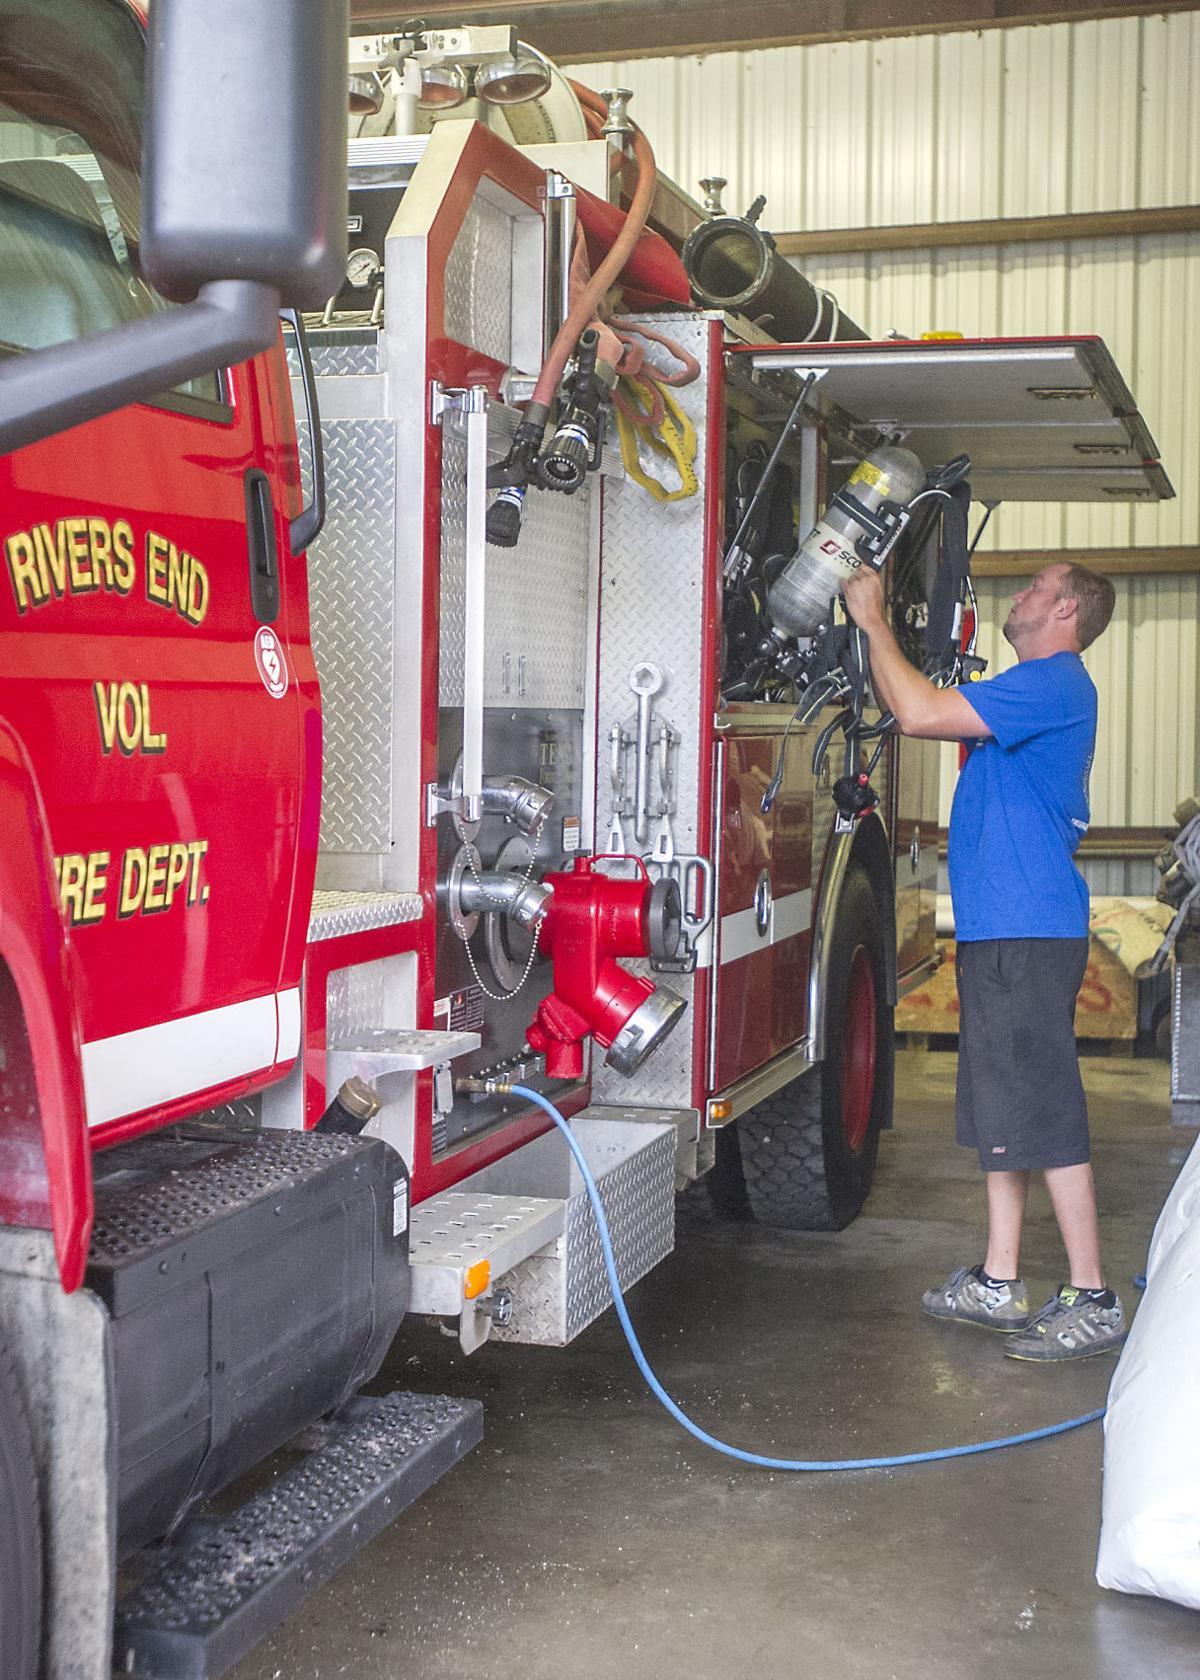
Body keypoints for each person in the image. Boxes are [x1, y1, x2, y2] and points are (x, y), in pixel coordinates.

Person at [842, 559, 1125, 1362]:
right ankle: (1001, 1282)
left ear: (1067, 607)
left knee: (1044, 1106)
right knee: (1005, 1110)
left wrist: (872, 621)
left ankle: (1092, 1294)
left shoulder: (1054, 682)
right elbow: (921, 709)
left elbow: (919, 711)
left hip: (1028, 932)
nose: (1020, 595)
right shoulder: (1026, 689)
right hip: (1005, 930)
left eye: (1036, 586)